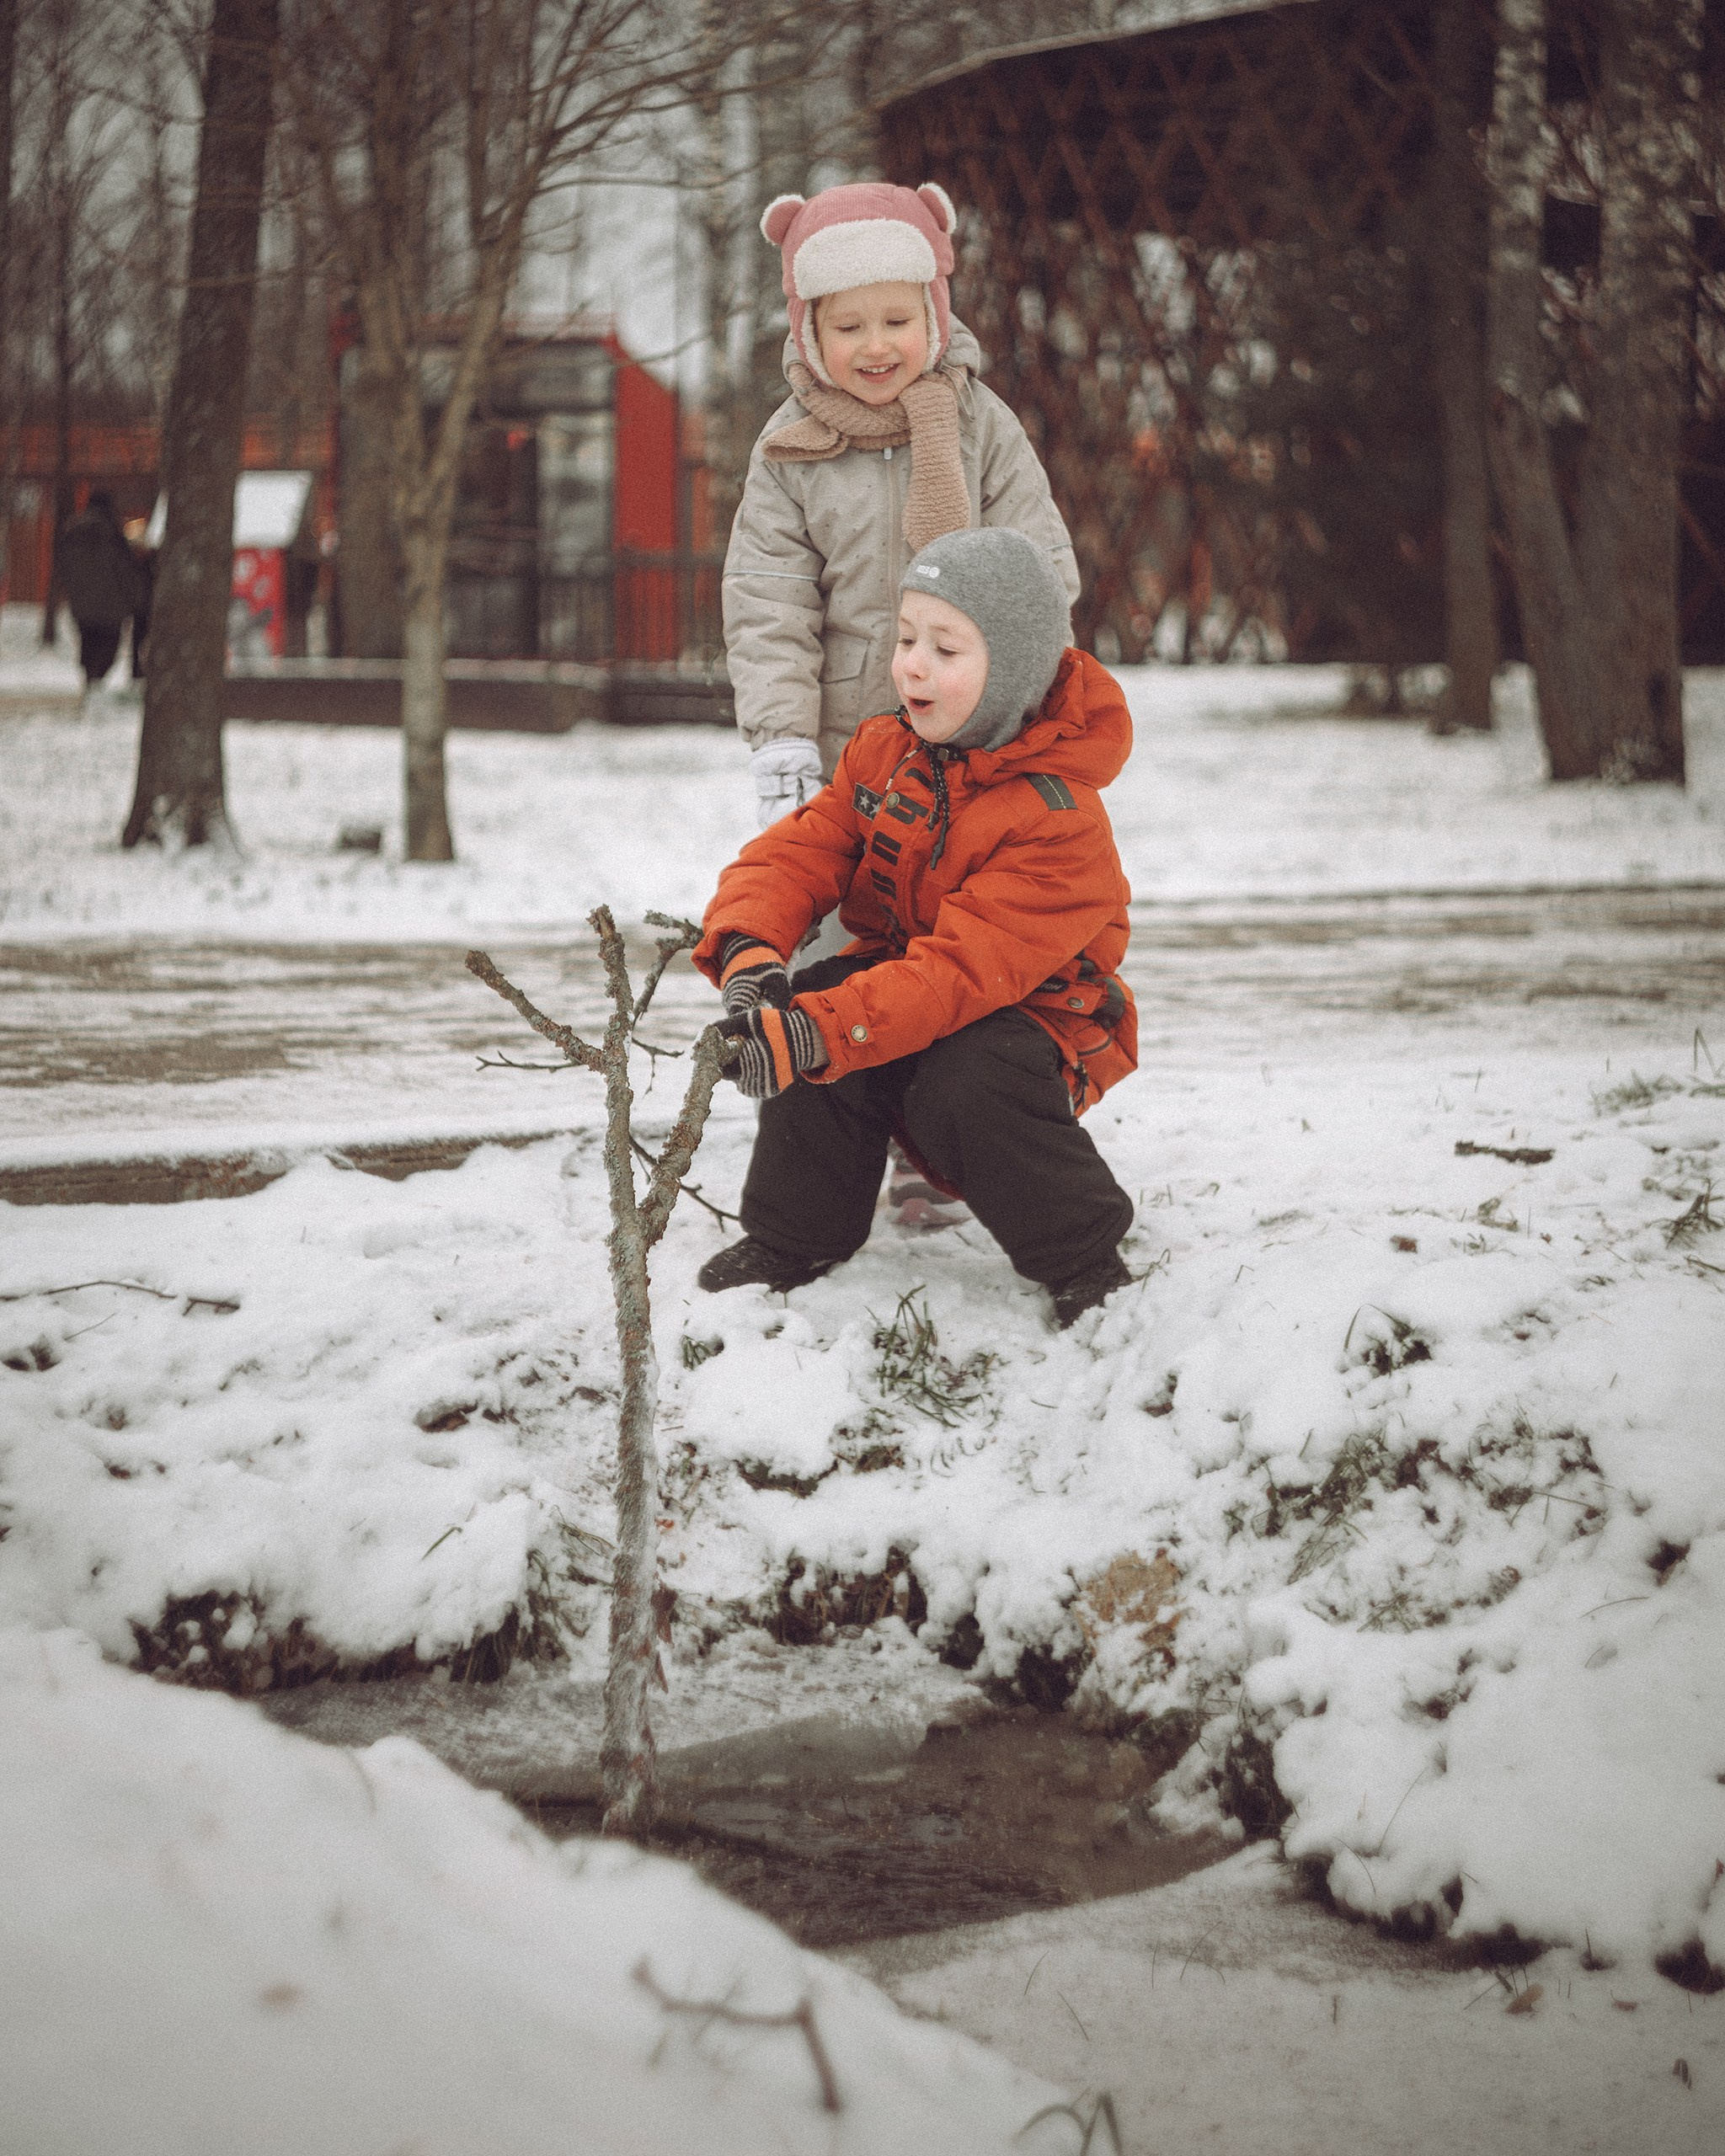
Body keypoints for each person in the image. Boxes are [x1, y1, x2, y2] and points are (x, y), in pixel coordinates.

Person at [692, 526, 1139, 1331]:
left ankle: (1084, 1255)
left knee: (963, 1073)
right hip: (914, 987)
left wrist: (813, 1035)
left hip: (1036, 1021)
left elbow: (960, 976)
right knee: (820, 993)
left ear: (1011, 670)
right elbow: (803, 850)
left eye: (946, 648)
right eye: (905, 638)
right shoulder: (887, 751)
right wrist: (750, 946)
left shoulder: (1058, 824)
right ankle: (796, 1237)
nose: (913, 664)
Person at [727, 179, 1080, 824]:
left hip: (979, 740)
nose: (877, 345)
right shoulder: (789, 449)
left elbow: (1040, 571)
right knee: (847, 916)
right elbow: (769, 602)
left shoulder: (983, 429)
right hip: (846, 746)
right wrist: (783, 742)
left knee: (966, 913)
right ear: (810, 330)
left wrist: (1034, 714)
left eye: (897, 321)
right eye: (849, 326)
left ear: (934, 315)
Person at [52, 491, 144, 703]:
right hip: (111, 605)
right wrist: (135, 597)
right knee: (107, 646)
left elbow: (64, 566)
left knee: (89, 642)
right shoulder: (112, 533)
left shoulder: (74, 530)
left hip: (83, 603)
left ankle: (91, 679)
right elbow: (125, 569)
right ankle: (96, 682)